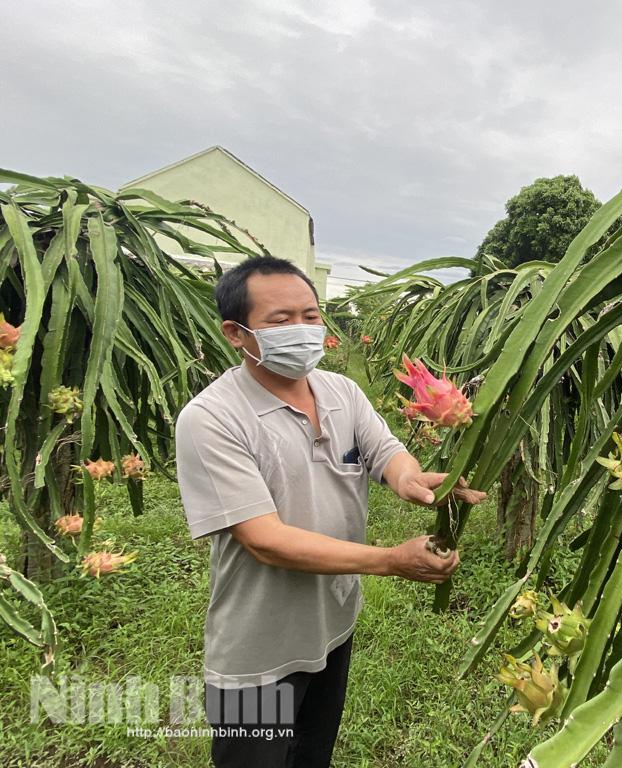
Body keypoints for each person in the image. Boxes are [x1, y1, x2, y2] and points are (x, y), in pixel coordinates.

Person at [174, 255, 487, 768]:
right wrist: (390, 559)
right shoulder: (211, 419)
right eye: (280, 320)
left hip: (333, 626)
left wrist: (407, 479)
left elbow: (385, 450)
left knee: (312, 757)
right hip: (259, 652)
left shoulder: (342, 391)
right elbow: (264, 540)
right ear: (236, 332)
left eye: (311, 315)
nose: (301, 330)